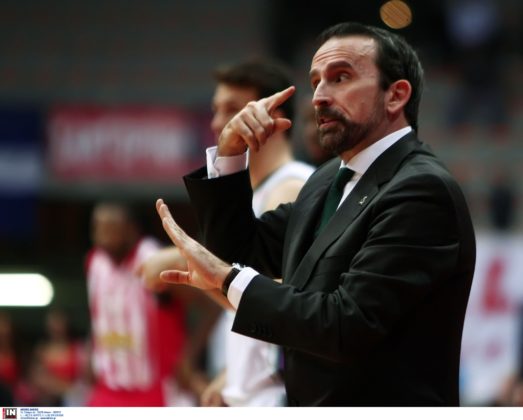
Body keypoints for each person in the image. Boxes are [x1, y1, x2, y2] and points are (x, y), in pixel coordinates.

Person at [154, 21, 476, 406]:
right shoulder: (327, 179)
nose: (319, 96)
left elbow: (346, 324)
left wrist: (228, 279)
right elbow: (241, 250)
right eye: (316, 81)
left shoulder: (421, 189)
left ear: (395, 96)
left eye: (340, 78)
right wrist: (230, 154)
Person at [140, 59, 314, 407]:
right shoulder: (259, 191)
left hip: (276, 395)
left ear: (272, 115)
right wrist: (231, 373)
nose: (219, 122)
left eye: (232, 109)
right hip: (252, 389)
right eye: (216, 109)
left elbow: (284, 307)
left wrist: (183, 259)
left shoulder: (290, 187)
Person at [84, 201, 190, 406]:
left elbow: (208, 305)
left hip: (153, 388)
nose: (102, 236)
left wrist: (188, 357)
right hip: (107, 386)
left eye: (110, 229)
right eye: (97, 229)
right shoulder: (94, 262)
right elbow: (98, 316)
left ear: (131, 230)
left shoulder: (152, 258)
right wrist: (90, 351)